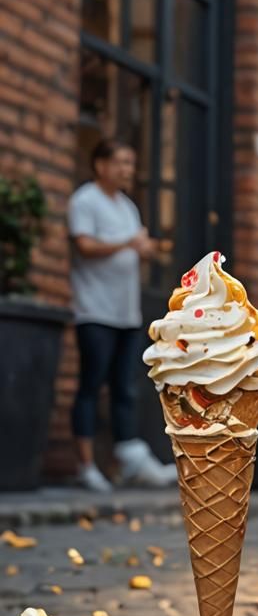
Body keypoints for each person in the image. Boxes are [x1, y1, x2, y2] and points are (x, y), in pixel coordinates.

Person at [68, 138, 175, 491]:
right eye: (120, 162)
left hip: (126, 312)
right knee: (90, 386)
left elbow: (132, 250)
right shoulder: (85, 200)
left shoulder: (128, 207)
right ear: (100, 165)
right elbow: (84, 245)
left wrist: (144, 250)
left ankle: (127, 462)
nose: (127, 169)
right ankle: (85, 466)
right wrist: (128, 244)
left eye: (131, 163)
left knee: (124, 389)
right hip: (94, 310)